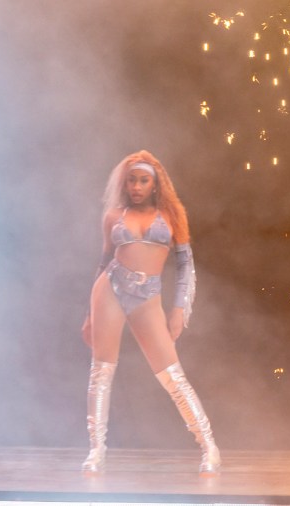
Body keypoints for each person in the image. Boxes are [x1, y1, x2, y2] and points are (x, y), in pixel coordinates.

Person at [80, 151, 220, 475]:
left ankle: (210, 447)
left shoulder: (172, 216)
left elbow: (185, 265)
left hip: (148, 298)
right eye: (132, 180)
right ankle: (96, 451)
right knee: (101, 372)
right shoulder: (113, 216)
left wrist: (179, 309)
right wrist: (89, 314)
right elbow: (104, 262)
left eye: (143, 181)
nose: (137, 187)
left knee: (173, 376)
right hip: (110, 289)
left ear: (155, 184)